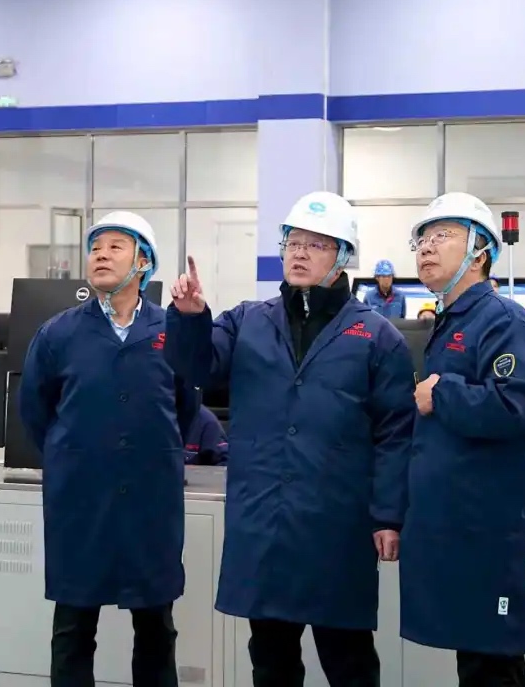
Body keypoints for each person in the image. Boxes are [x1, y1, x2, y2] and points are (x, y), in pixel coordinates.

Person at [164, 191, 415, 687]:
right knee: (270, 661)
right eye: (293, 243)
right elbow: (197, 367)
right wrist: (191, 318)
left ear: (343, 257)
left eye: (316, 245)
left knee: (349, 660)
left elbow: (395, 433)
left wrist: (389, 514)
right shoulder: (246, 320)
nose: (299, 253)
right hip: (265, 520)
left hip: (337, 524)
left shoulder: (377, 336)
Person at [18, 210, 199, 687]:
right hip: (81, 499)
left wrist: (146, 450)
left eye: (116, 246)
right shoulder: (57, 333)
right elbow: (35, 411)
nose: (100, 255)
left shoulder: (170, 330)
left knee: (156, 628)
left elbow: (185, 408)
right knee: (73, 628)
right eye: (95, 247)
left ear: (143, 262)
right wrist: (76, 453)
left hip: (149, 499)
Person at [400, 193, 525, 687]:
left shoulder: (503, 320)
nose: (426, 247)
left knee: (493, 664)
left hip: (491, 532)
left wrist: (442, 395)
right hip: (459, 528)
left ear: (481, 251)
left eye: (442, 236)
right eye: (422, 238)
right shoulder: (453, 320)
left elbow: (522, 405)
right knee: (478, 662)